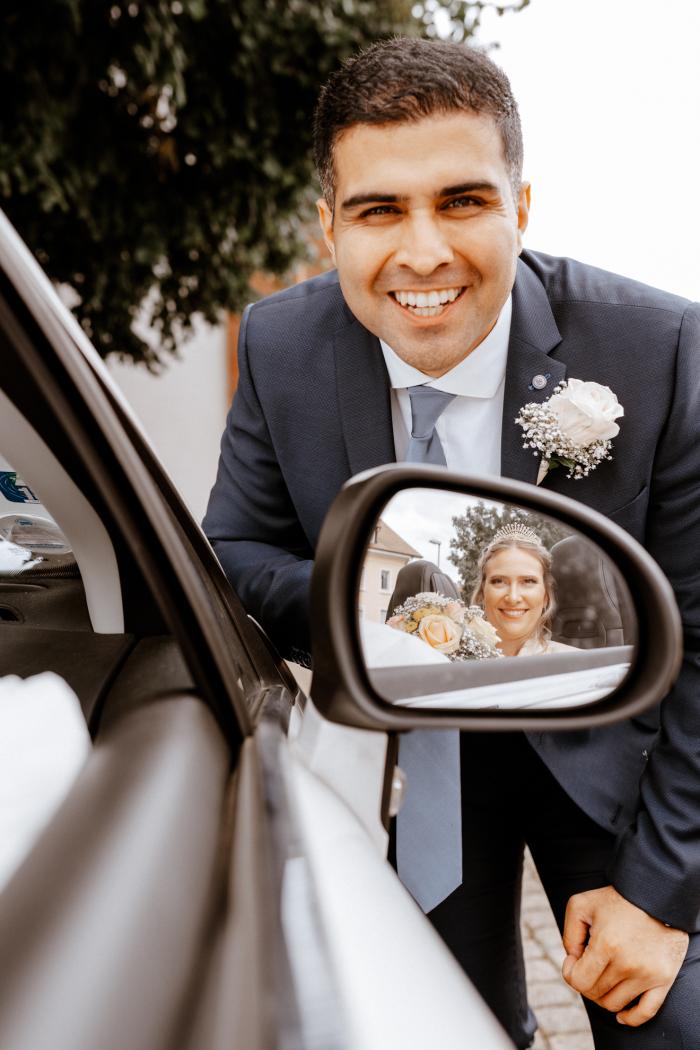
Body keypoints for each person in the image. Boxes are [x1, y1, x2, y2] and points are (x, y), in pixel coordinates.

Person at [203, 37, 700, 1048]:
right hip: (407, 747)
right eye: (379, 209)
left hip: (617, 752)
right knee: (425, 1025)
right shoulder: (279, 344)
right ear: (327, 226)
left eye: (463, 201)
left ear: (520, 207)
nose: (422, 252)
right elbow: (236, 555)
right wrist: (423, 618)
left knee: (675, 1025)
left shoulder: (660, 348)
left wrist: (659, 898)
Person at [472, 524, 577, 657]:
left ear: (546, 595)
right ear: (482, 593)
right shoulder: (448, 660)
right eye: (499, 581)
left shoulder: (576, 663)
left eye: (528, 581)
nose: (513, 597)